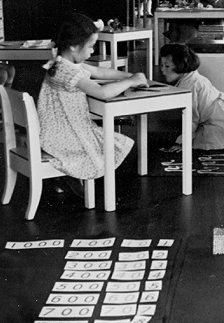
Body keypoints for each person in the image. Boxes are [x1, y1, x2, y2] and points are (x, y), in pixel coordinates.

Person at [37, 13, 148, 196]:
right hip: (65, 133)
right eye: (90, 46)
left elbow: (98, 71)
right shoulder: (68, 72)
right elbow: (102, 92)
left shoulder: (60, 62)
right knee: (109, 144)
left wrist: (130, 76)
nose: (92, 51)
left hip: (58, 129)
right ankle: (69, 175)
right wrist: (130, 82)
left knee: (106, 143)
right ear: (73, 46)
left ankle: (67, 177)